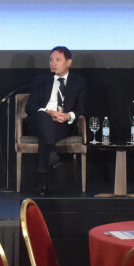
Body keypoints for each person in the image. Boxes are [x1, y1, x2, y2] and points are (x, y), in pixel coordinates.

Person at [22, 46, 87, 196]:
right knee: (43, 117)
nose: (53, 63)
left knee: (45, 135)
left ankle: (42, 181)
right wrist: (48, 112)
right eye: (51, 60)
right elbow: (30, 107)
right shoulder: (40, 81)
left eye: (58, 60)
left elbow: (81, 108)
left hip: (62, 124)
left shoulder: (79, 82)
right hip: (38, 122)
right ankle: (51, 156)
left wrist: (67, 116)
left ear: (68, 62)